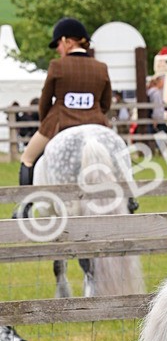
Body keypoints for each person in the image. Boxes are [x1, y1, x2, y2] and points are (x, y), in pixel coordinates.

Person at [16, 17, 112, 215]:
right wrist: (94, 115)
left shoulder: (57, 66)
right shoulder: (101, 67)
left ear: (68, 41)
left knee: (27, 157)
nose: (58, 49)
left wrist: (45, 123)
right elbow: (106, 103)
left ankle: (25, 206)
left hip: (60, 122)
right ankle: (130, 199)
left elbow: (45, 100)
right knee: (117, 153)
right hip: (96, 122)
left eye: (58, 43)